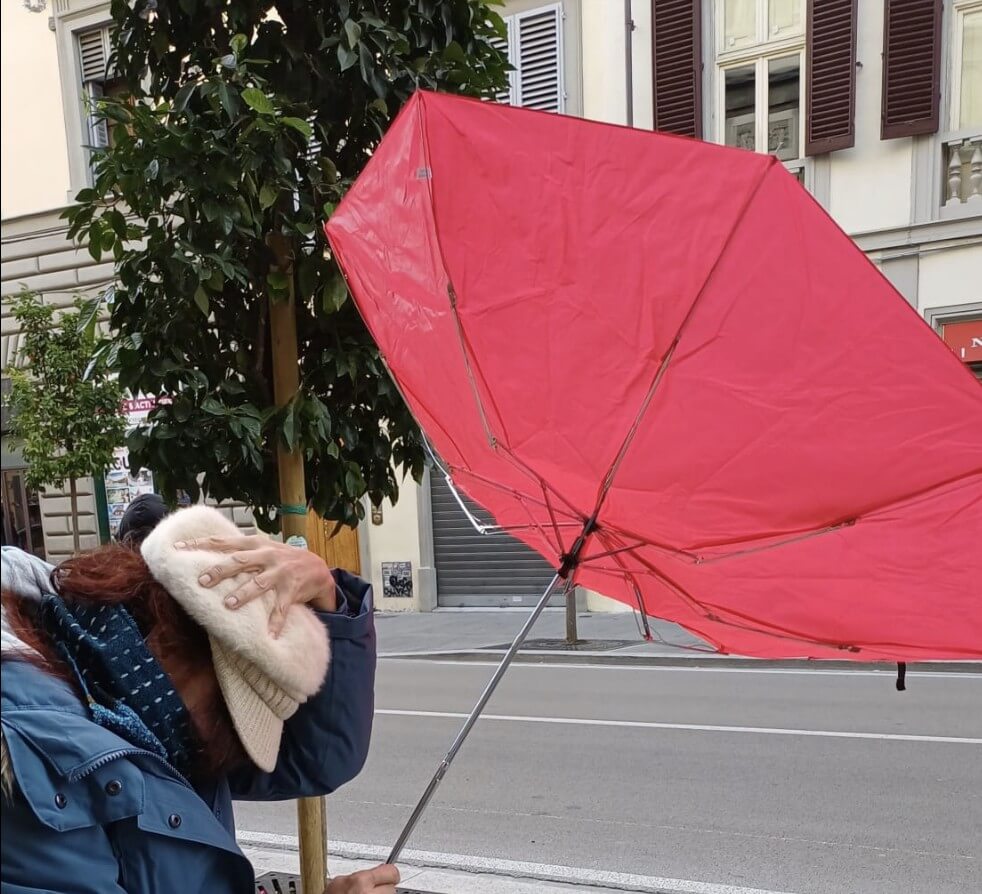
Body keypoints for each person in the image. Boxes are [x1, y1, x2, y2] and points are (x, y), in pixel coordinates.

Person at [1, 505, 399, 893]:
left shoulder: (136, 710)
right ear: (168, 643)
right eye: (229, 713)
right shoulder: (27, 754)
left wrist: (329, 595)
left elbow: (318, 758)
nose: (232, 741)